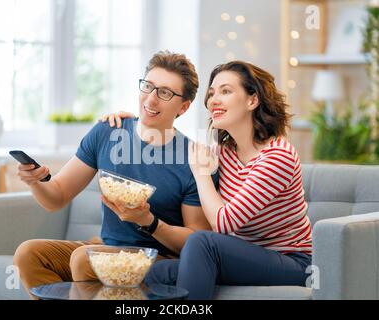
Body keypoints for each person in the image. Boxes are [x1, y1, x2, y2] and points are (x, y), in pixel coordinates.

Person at [13, 50, 217, 299]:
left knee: (84, 260)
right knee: (29, 253)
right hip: (105, 246)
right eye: (148, 86)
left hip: (155, 256)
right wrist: (35, 182)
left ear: (183, 107)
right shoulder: (108, 132)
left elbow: (196, 241)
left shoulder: (193, 159)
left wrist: (148, 221)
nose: (151, 100)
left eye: (164, 93)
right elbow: (56, 197)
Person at [103, 60, 313, 300]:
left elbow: (224, 224)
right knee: (154, 272)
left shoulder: (277, 156)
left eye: (226, 91)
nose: (213, 100)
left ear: (252, 100)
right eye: (212, 92)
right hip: (240, 256)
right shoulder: (223, 152)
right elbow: (175, 154)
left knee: (203, 242)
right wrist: (133, 124)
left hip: (292, 263)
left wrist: (202, 174)